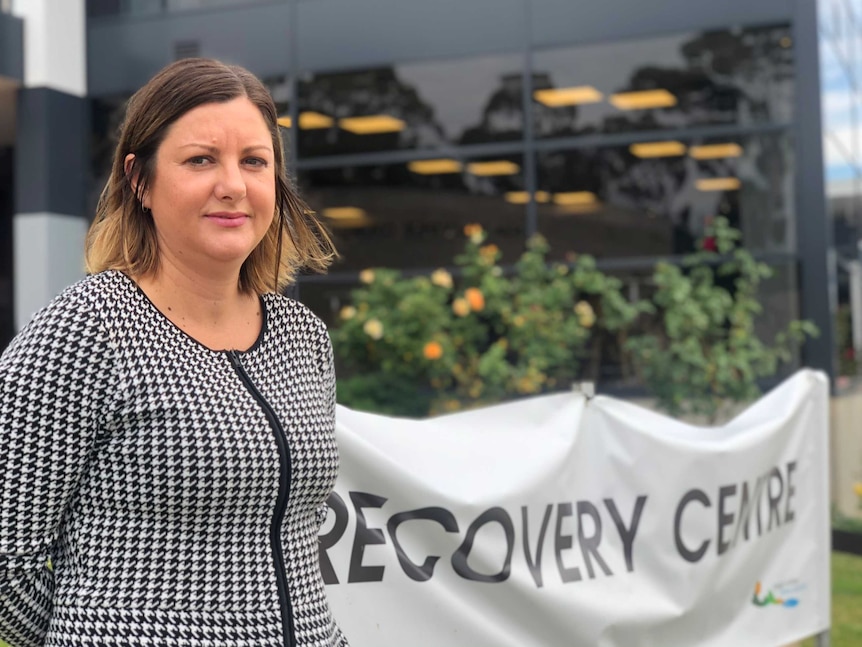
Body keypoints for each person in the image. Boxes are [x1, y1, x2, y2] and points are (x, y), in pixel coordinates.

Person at [0, 58, 348, 647]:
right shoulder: (88, 329)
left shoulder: (303, 338)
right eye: (201, 159)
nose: (233, 185)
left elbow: (300, 538)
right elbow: (7, 563)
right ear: (140, 180)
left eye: (254, 162)